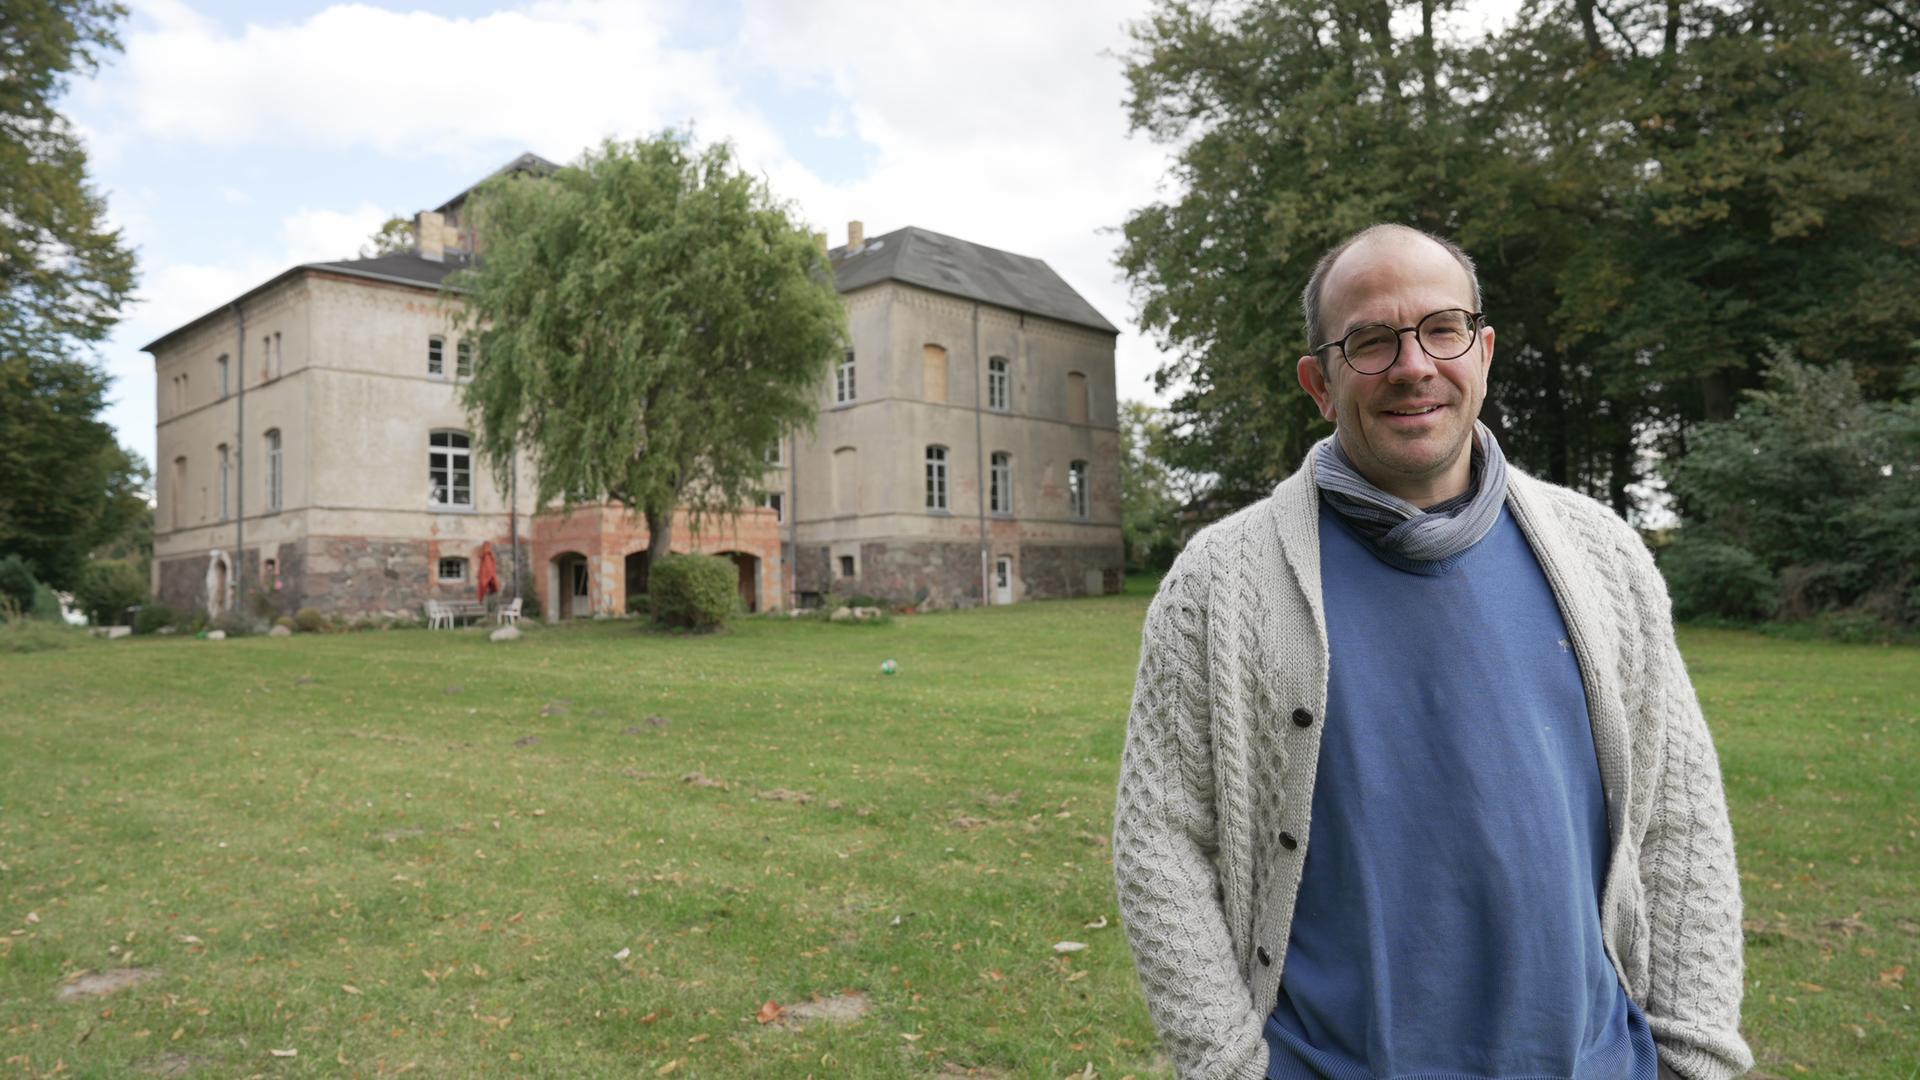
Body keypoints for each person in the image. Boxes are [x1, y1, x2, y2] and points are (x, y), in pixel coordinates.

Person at [1111, 224, 1750, 1080]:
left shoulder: (1606, 557)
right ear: (1320, 383)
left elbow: (1680, 817)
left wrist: (1693, 1055)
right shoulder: (1219, 583)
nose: (1413, 366)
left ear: (1481, 352)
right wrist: (1228, 1065)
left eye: (1441, 330)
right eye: (1369, 342)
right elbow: (1159, 836)